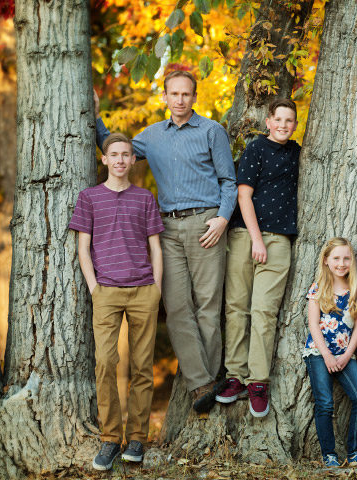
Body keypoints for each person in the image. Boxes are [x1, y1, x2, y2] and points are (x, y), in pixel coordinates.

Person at [94, 71, 237, 413]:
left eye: (186, 94)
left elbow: (228, 181)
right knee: (175, 307)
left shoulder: (211, 131)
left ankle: (206, 379)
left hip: (207, 224)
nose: (180, 100)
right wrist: (96, 115)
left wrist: (222, 218)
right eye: (174, 93)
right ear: (165, 97)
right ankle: (202, 381)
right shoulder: (152, 136)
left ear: (194, 97)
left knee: (208, 306)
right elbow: (117, 151)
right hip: (168, 229)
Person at [68, 133, 164, 470]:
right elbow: (83, 248)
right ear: (105, 159)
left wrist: (157, 288)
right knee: (106, 362)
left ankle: (136, 437)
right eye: (115, 154)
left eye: (127, 154)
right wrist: (95, 288)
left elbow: (155, 247)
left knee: (141, 366)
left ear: (133, 161)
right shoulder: (89, 197)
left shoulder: (145, 198)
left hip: (143, 291)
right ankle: (110, 439)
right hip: (106, 291)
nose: (121, 160)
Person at [215, 99, 300, 417]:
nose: (283, 125)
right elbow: (243, 194)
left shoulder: (297, 153)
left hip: (278, 240)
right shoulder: (255, 149)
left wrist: (265, 241)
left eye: (289, 120)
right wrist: (255, 239)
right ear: (268, 121)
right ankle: (235, 376)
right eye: (278, 119)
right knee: (237, 308)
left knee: (264, 311)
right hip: (244, 236)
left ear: (294, 124)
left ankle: (257, 381)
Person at [303, 238, 357, 468]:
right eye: (336, 258)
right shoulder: (319, 287)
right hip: (319, 353)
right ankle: (329, 455)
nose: (341, 263)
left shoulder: (356, 289)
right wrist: (326, 355)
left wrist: (346, 356)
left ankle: (355, 452)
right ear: (326, 261)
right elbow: (313, 324)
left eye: (346, 258)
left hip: (345, 354)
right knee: (325, 402)